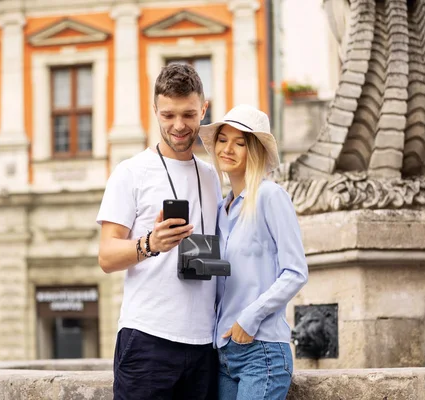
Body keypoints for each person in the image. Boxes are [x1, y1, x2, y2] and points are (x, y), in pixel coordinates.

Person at [96, 63, 222, 399]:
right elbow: (106, 256)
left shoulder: (212, 176)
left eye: (189, 114)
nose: (178, 126)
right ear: (155, 111)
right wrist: (150, 243)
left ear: (204, 109)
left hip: (204, 345)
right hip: (147, 341)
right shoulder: (130, 173)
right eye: (168, 115)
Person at [199, 104, 309, 400]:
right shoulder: (221, 209)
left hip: (261, 351)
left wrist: (249, 319)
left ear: (255, 150)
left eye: (240, 143)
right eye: (223, 140)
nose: (228, 149)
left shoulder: (270, 196)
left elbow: (296, 271)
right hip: (223, 352)